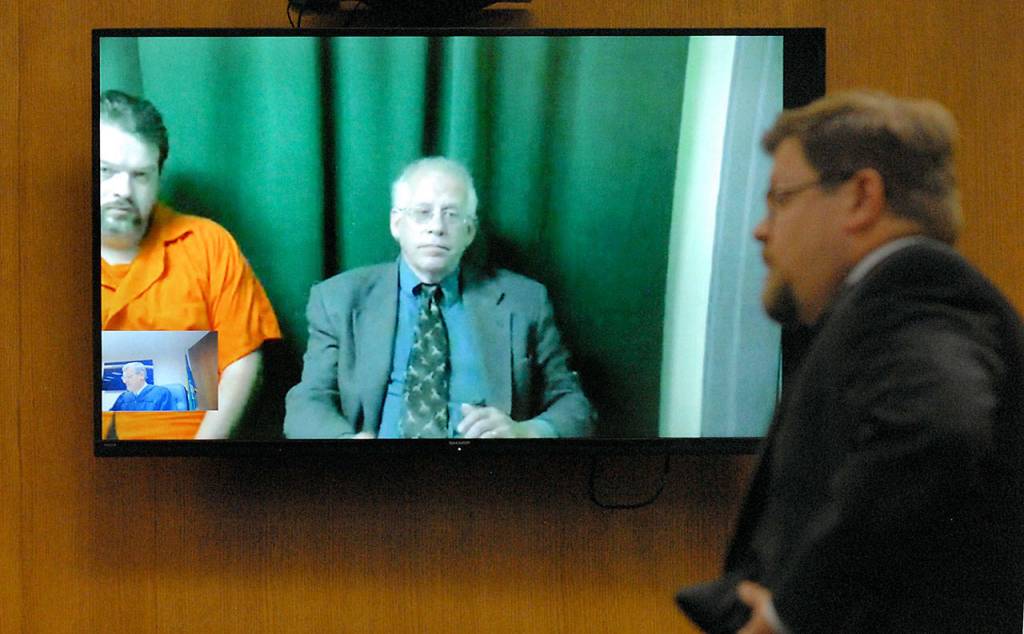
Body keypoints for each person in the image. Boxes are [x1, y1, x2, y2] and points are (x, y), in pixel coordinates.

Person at [676, 91, 1024, 633]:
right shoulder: (891, 299)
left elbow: (939, 429)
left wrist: (789, 614)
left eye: (780, 199)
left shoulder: (913, 290)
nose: (761, 229)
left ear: (862, 197)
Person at [284, 157, 594, 439]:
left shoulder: (524, 301)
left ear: (469, 231)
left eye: (451, 215)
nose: (436, 227)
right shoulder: (339, 298)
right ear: (397, 224)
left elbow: (574, 405)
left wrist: (526, 432)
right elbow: (307, 402)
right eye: (422, 213)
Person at [99, 89, 281, 440]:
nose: (122, 189)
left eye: (140, 175)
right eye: (106, 170)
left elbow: (241, 365)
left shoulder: (207, 245)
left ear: (158, 178)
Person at [109, 362, 174, 412]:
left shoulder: (162, 393)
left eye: (129, 377)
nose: (125, 381)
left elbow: (169, 421)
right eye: (124, 378)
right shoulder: (123, 397)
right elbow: (110, 419)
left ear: (141, 375)